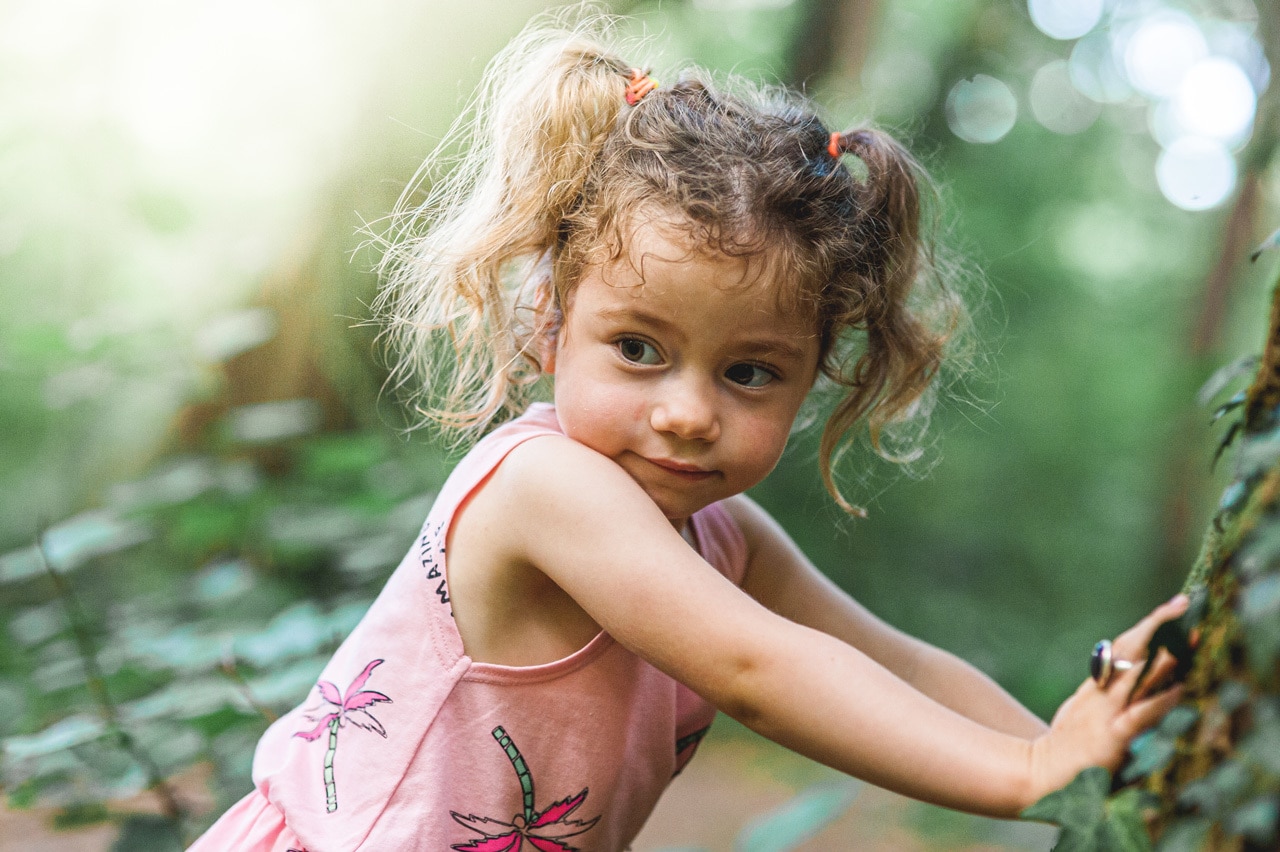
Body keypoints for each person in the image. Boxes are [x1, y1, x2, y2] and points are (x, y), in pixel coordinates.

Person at [189, 12, 1188, 852]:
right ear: (548, 323)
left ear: (813, 378)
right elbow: (758, 671)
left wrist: (1067, 753)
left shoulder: (726, 538)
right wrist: (1027, 774)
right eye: (635, 348)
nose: (686, 411)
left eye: (748, 371)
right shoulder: (546, 487)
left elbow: (896, 663)